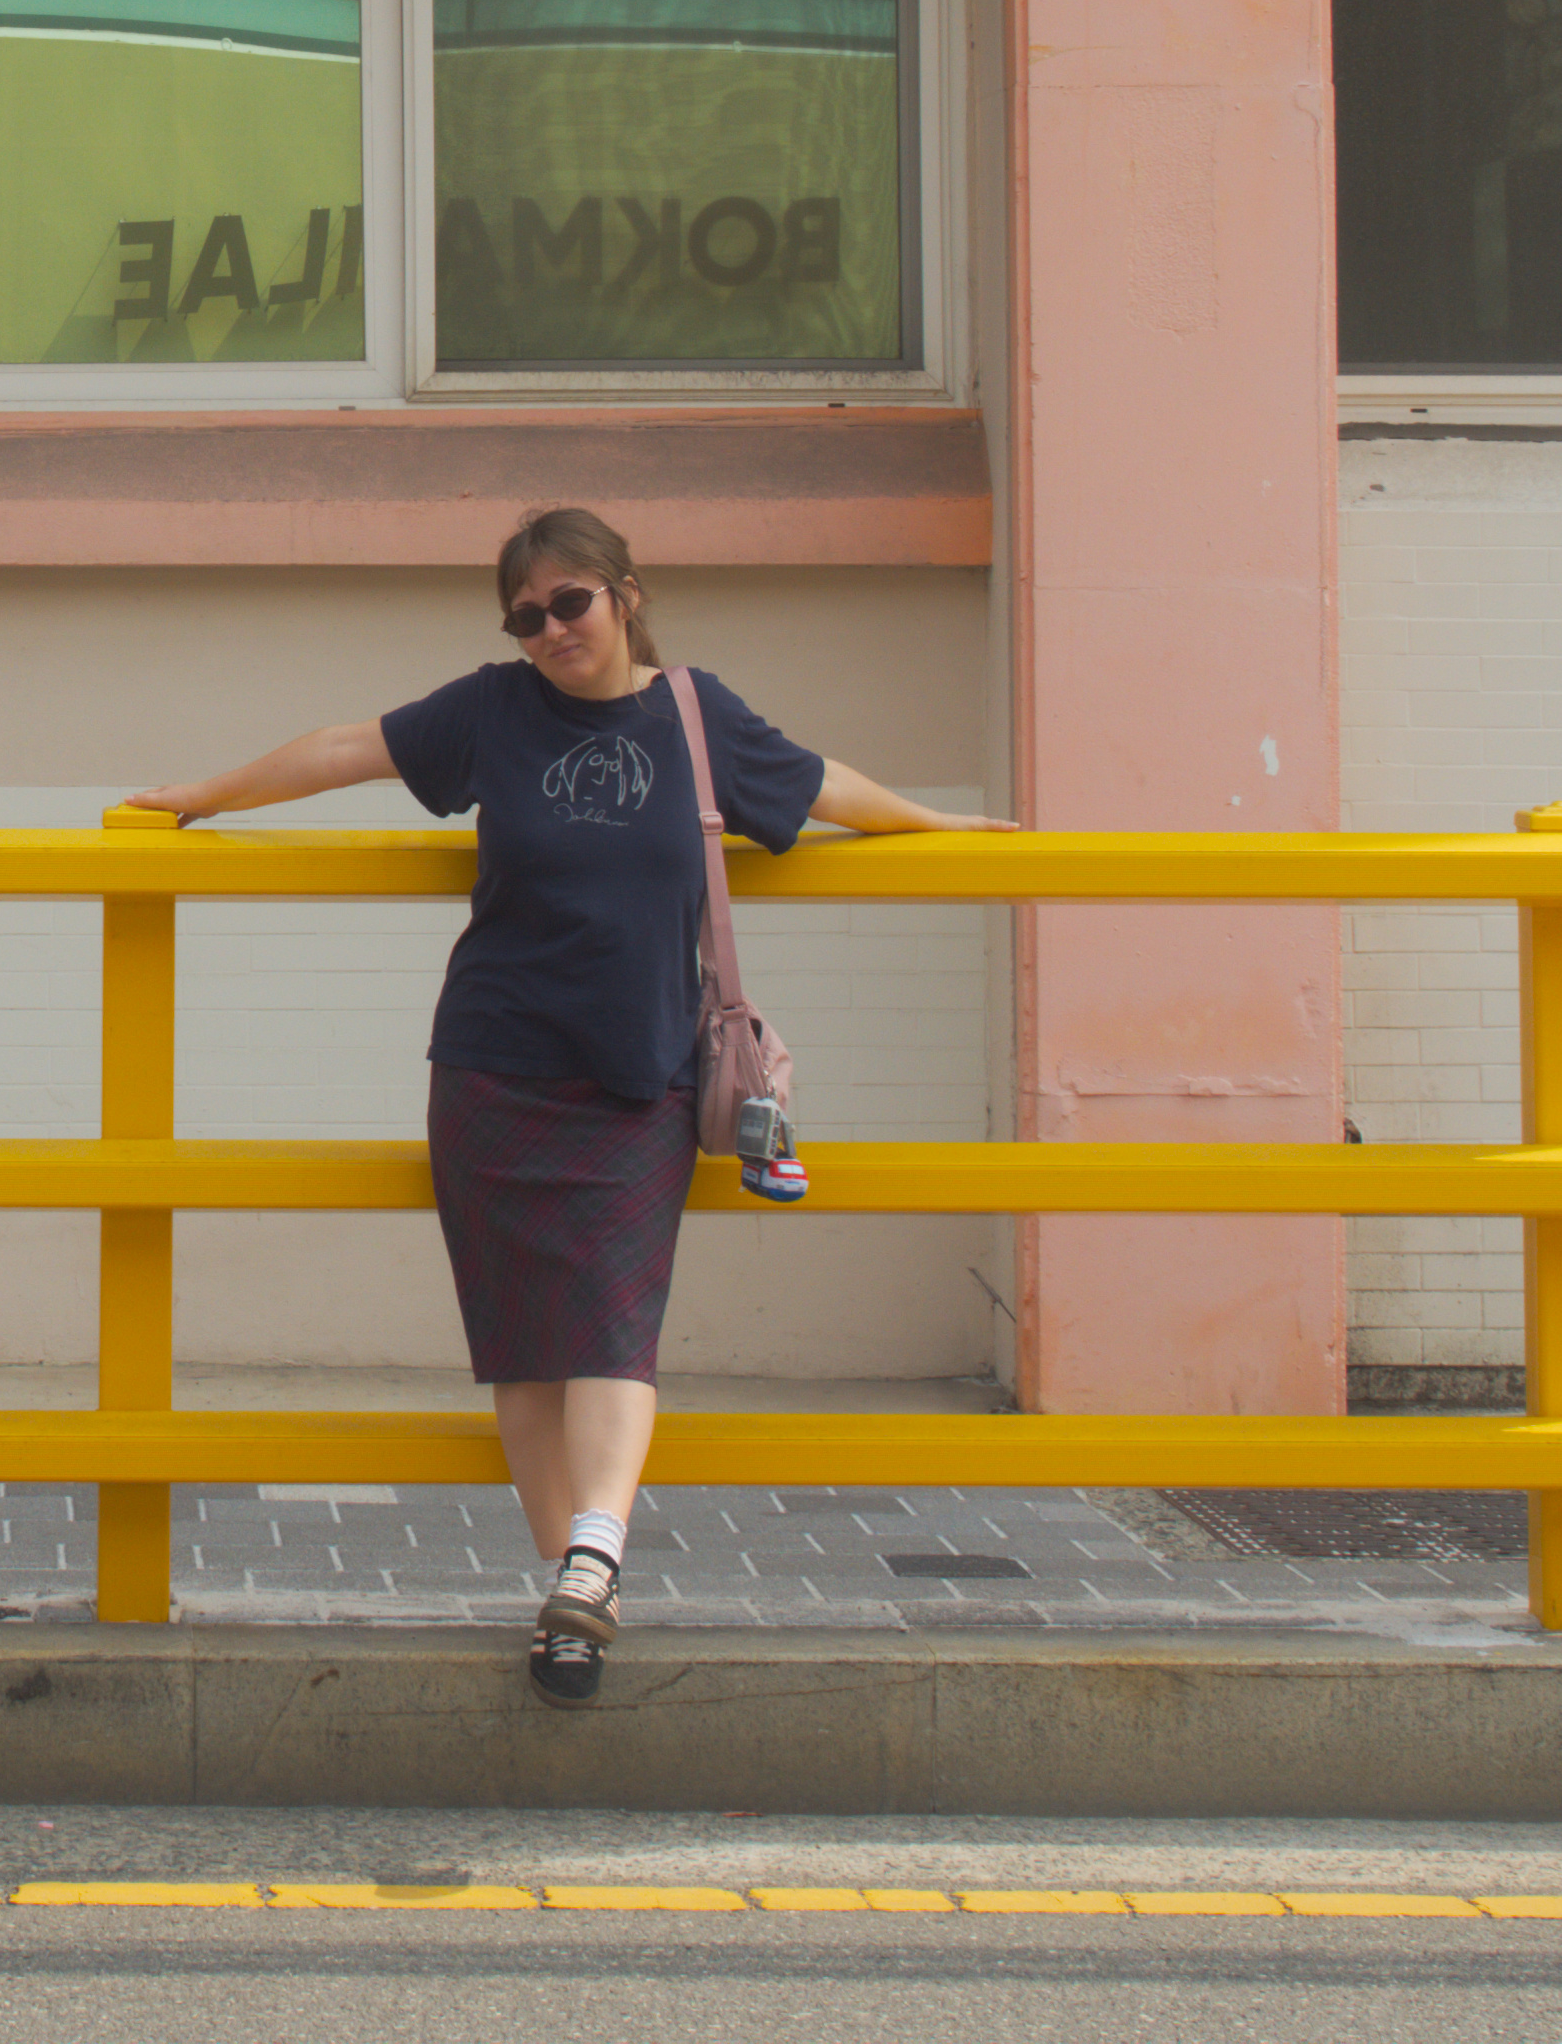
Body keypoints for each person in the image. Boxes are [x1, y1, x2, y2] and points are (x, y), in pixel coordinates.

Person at [125, 505, 1009, 1708]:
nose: (548, 630)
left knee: (607, 1323)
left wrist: (937, 823)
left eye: (569, 602)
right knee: (521, 1347)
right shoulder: (492, 711)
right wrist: (206, 794)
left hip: (637, 1074)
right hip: (491, 1068)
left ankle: (593, 1555)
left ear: (625, 594)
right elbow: (344, 748)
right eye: (524, 616)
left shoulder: (695, 715)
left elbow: (817, 785)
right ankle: (575, 1590)